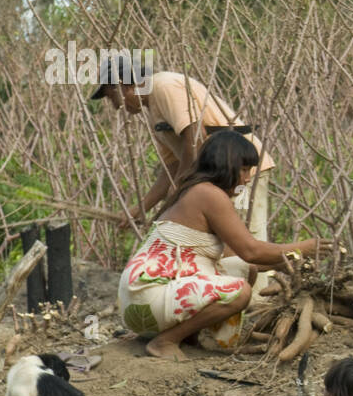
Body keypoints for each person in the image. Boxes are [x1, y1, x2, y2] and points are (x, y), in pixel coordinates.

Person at [118, 131, 325, 361]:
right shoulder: (209, 194)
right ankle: (165, 341)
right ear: (226, 164)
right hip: (146, 298)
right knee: (240, 292)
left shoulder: (197, 190)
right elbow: (251, 250)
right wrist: (304, 247)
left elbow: (245, 259)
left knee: (247, 270)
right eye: (244, 170)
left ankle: (186, 336)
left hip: (141, 304)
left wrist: (290, 261)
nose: (247, 179)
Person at [92, 54, 275, 288]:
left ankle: (257, 303)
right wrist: (142, 208)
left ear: (123, 85)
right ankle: (234, 300)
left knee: (247, 240)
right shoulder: (154, 109)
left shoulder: (164, 86)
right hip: (222, 179)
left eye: (112, 97)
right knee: (225, 245)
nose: (117, 106)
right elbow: (173, 165)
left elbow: (194, 138)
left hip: (243, 172)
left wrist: (182, 190)